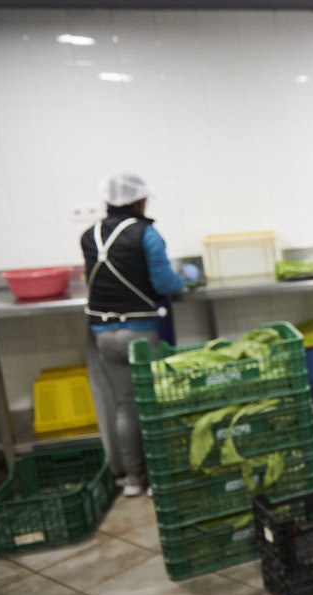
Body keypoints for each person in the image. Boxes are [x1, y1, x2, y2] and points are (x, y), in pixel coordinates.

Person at [82, 173, 198, 497]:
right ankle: (159, 478)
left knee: (125, 405)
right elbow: (164, 283)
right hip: (140, 334)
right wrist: (185, 277)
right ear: (139, 201)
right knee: (154, 404)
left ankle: (133, 479)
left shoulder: (88, 235)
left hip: (103, 333)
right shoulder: (146, 234)